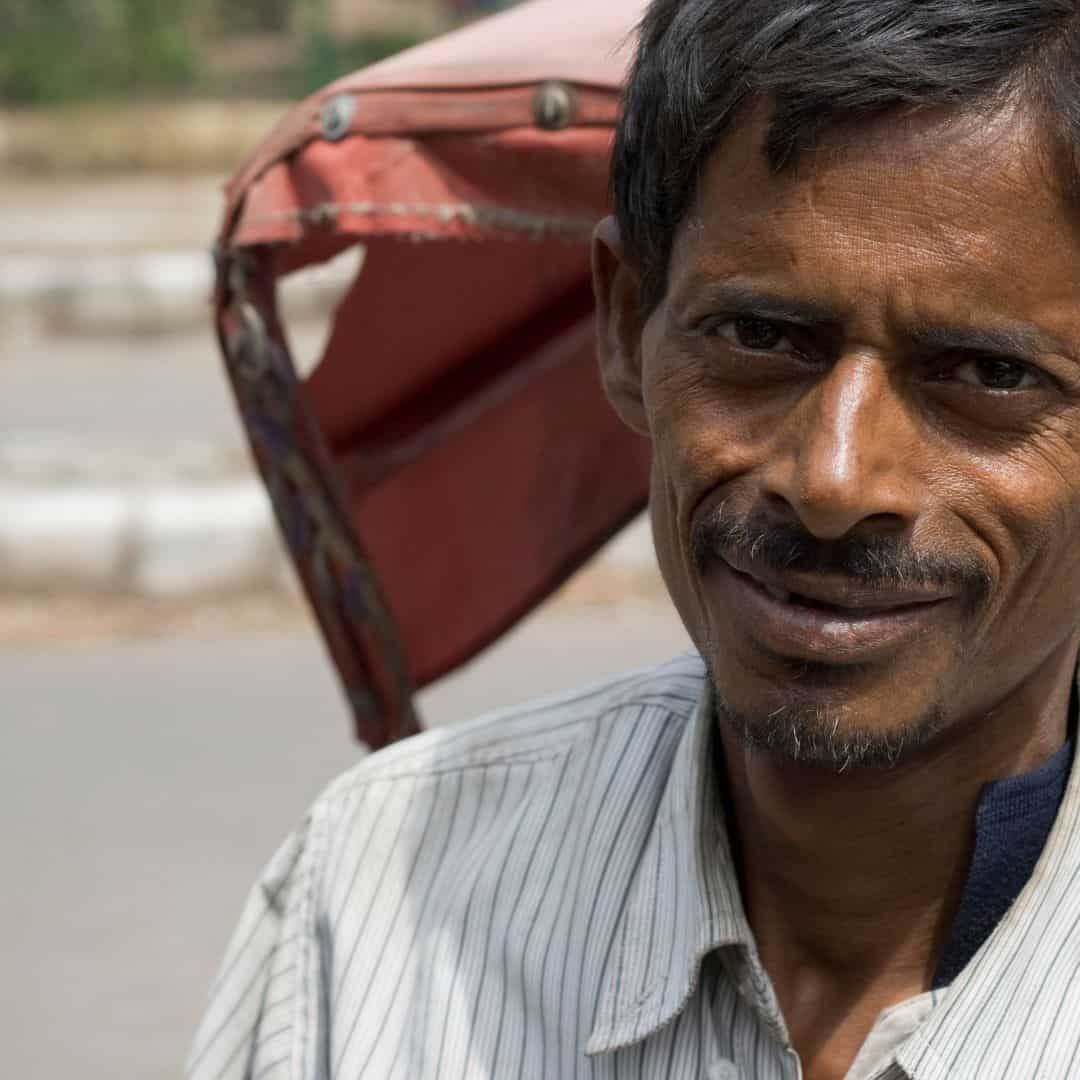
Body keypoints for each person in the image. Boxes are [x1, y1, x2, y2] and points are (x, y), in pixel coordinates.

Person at [187, 1, 1080, 1077]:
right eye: (759, 337)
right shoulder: (377, 892)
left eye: (987, 373)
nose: (835, 481)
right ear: (624, 328)